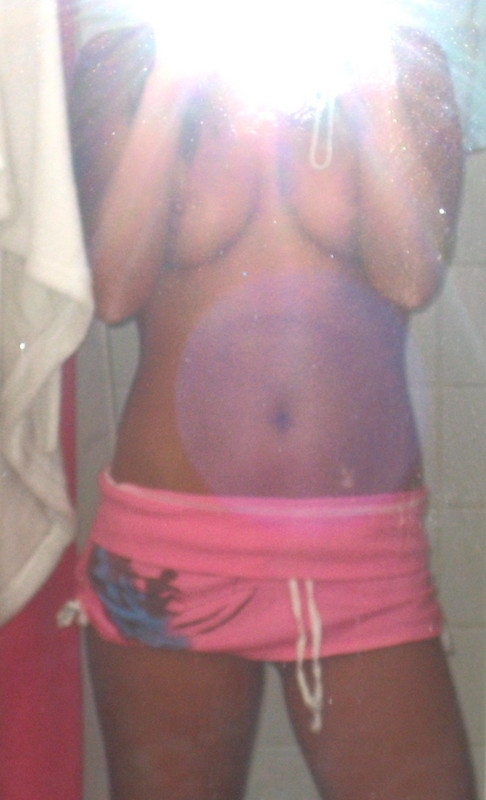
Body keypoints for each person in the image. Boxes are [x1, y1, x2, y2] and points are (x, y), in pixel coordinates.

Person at [70, 16, 476, 800]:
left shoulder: (406, 53)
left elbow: (409, 276)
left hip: (358, 555)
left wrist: (371, 70)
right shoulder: (126, 59)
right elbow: (114, 290)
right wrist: (173, 74)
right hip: (168, 546)